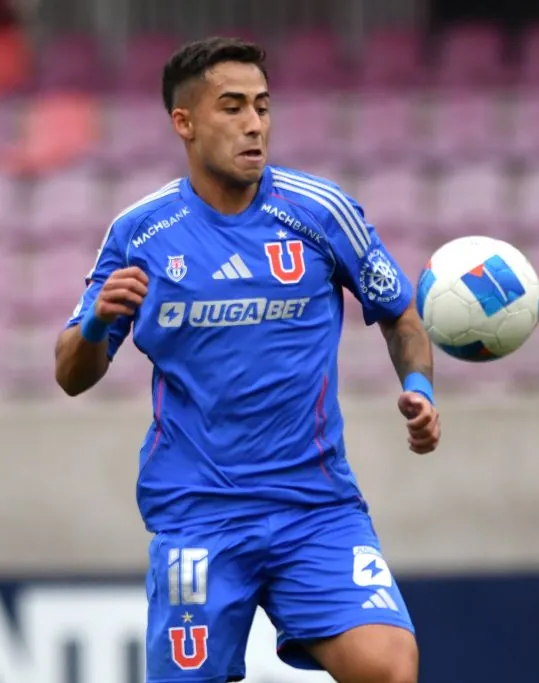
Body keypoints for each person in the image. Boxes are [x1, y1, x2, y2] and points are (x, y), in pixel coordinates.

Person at [54, 37, 438, 683]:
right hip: (198, 516)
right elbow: (70, 372)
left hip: (315, 507)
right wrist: (96, 322)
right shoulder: (139, 234)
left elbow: (399, 310)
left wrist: (420, 385)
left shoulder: (320, 212)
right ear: (185, 122)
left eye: (262, 105)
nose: (254, 123)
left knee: (391, 666)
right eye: (232, 107)